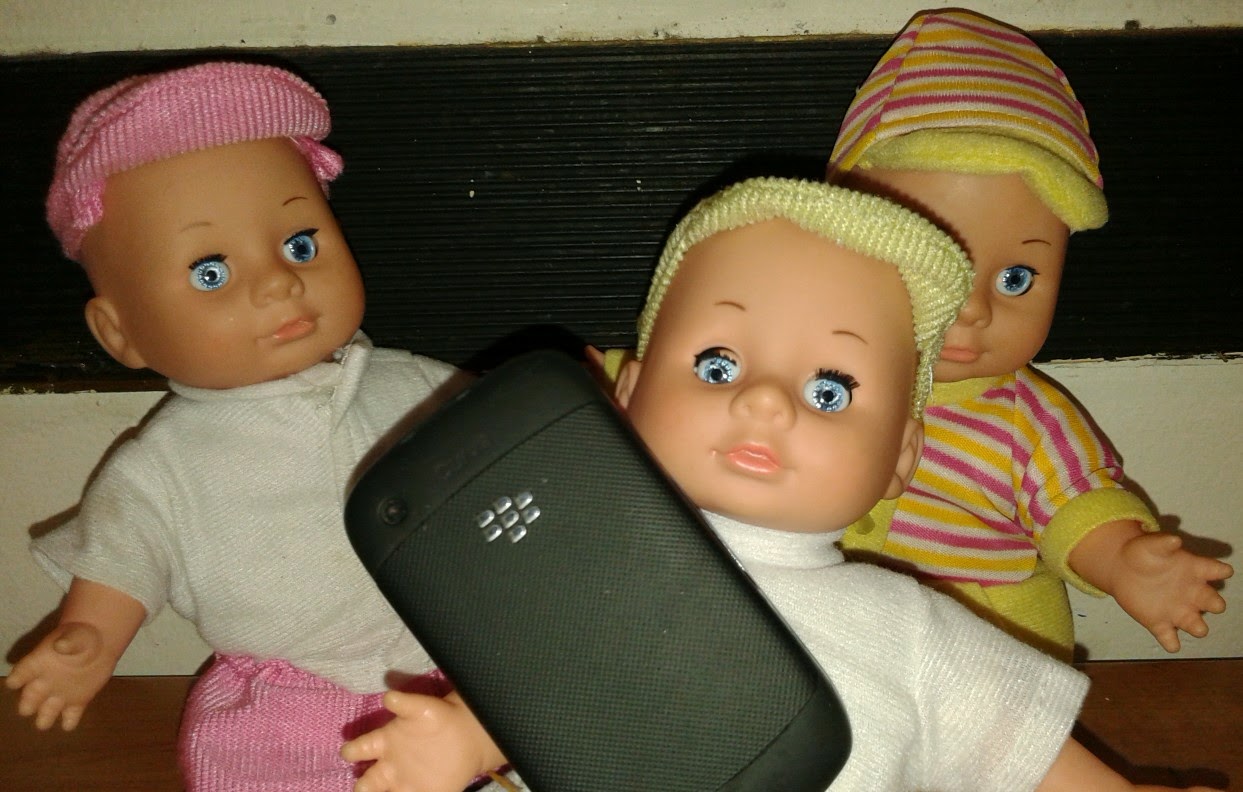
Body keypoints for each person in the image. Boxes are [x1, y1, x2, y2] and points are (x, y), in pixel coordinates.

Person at [338, 177, 1219, 792]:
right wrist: (463, 739)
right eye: (717, 365)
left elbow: (1013, 746)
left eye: (830, 390)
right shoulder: (578, 569)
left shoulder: (903, 627)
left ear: (900, 457)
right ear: (626, 394)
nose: (763, 401)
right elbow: (541, 696)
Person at [4, 61, 513, 792]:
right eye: (210, 272)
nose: (278, 281)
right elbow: (123, 562)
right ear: (120, 332)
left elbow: (519, 440)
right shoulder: (165, 466)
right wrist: (88, 637)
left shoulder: (414, 387)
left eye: (300, 244)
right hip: (286, 713)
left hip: (464, 680)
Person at [826, 8, 1231, 661]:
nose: (973, 310)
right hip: (832, 632)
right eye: (934, 264)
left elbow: (1075, 501)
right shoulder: (812, 363)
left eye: (1015, 279)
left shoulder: (1024, 419)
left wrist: (1122, 559)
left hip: (986, 641)